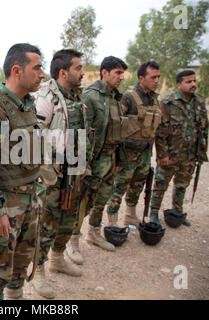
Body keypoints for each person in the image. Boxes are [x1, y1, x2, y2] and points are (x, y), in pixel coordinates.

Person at [0, 43, 46, 300]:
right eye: (37, 67)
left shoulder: (28, 106)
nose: (42, 73)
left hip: (30, 202)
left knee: (21, 264)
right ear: (17, 70)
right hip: (6, 206)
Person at [31, 49, 93, 299]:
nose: (82, 73)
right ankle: (38, 270)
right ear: (63, 72)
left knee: (69, 219)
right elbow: (34, 139)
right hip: (53, 175)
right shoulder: (46, 99)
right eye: (78, 68)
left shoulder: (77, 97)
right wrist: (48, 174)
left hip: (75, 170)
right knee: (47, 224)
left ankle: (58, 258)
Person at [76, 56, 130, 252]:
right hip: (95, 160)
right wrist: (84, 164)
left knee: (102, 198)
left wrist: (120, 159)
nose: (121, 77)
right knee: (83, 201)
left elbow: (119, 130)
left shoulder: (116, 97)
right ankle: (73, 241)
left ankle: (93, 233)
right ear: (104, 73)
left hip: (111, 158)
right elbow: (83, 132)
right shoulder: (90, 96)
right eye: (118, 73)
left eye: (122, 73)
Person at [106, 61, 161, 227]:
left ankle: (130, 215)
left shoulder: (155, 100)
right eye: (153, 77)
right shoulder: (128, 98)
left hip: (145, 154)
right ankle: (112, 223)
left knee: (137, 186)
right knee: (118, 189)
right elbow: (116, 128)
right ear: (141, 78)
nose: (157, 81)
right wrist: (116, 158)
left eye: (158, 77)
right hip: (127, 154)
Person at [150, 69, 208, 226]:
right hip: (171, 154)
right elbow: (160, 132)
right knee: (161, 183)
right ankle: (154, 213)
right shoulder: (168, 103)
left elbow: (204, 129)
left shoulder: (200, 103)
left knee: (182, 184)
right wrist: (162, 155)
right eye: (189, 82)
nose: (193, 84)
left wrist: (201, 152)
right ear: (179, 84)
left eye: (194, 81)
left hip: (190, 154)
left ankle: (177, 211)